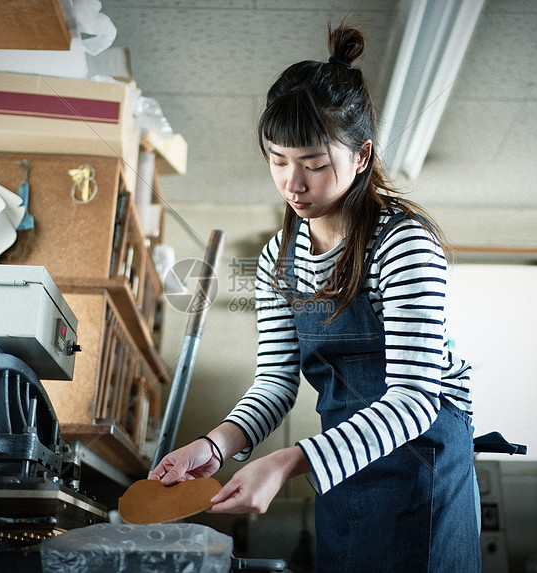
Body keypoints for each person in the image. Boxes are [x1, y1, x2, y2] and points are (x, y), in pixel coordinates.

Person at [150, 21, 481, 573]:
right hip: (341, 465)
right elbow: (276, 382)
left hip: (421, 465)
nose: (292, 184)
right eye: (278, 161)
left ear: (363, 155)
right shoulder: (280, 257)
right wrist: (214, 448)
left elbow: (416, 399)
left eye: (315, 164)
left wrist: (287, 462)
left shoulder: (403, 244)